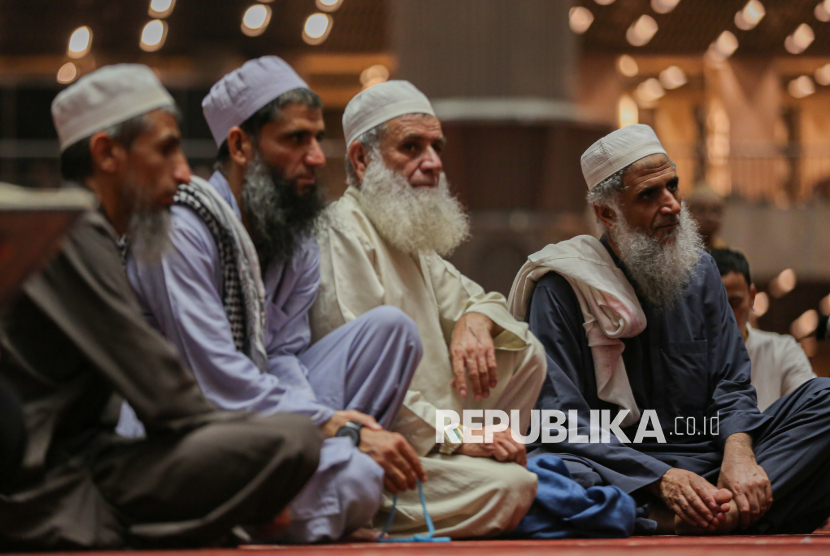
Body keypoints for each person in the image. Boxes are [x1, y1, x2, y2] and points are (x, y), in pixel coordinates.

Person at [0, 64, 323, 549]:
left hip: (136, 446)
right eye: (166, 149)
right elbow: (172, 394)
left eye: (434, 148)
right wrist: (319, 433)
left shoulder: (305, 241)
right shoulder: (106, 232)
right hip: (66, 473)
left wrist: (329, 424)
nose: (182, 171)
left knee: (381, 343)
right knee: (308, 447)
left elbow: (283, 361)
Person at [117, 57, 424, 543]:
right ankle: (288, 507)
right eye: (295, 139)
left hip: (267, 419)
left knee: (393, 332)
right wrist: (332, 430)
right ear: (241, 146)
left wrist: (314, 439)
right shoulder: (179, 229)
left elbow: (282, 355)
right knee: (359, 480)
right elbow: (211, 378)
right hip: (183, 427)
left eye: (316, 138)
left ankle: (287, 500)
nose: (317, 157)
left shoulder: (295, 236)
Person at [509, 124, 830, 535]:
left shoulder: (702, 271)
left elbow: (732, 384)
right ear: (606, 213)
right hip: (617, 470)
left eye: (672, 186)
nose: (673, 205)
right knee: (545, 473)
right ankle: (720, 512)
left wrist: (739, 453)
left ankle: (709, 514)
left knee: (824, 399)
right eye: (649, 195)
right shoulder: (562, 286)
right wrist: (662, 479)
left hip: (710, 461)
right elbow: (562, 419)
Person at [310, 80, 547, 539]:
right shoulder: (342, 232)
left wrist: (475, 320)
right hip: (372, 445)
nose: (434, 162)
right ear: (362, 159)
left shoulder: (408, 237)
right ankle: (365, 503)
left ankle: (476, 457)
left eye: (436, 147)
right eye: (411, 147)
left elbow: (484, 300)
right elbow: (363, 382)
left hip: (438, 434)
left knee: (525, 352)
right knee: (514, 488)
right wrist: (456, 434)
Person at [711, 248, 816, 411]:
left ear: (752, 296)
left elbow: (810, 409)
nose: (726, 314)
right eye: (716, 304)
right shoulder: (685, 356)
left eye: (734, 302)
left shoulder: (782, 351)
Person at [686, 185, 726, 251]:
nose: (709, 218)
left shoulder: (726, 253)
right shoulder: (678, 252)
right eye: (701, 210)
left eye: (715, 211)